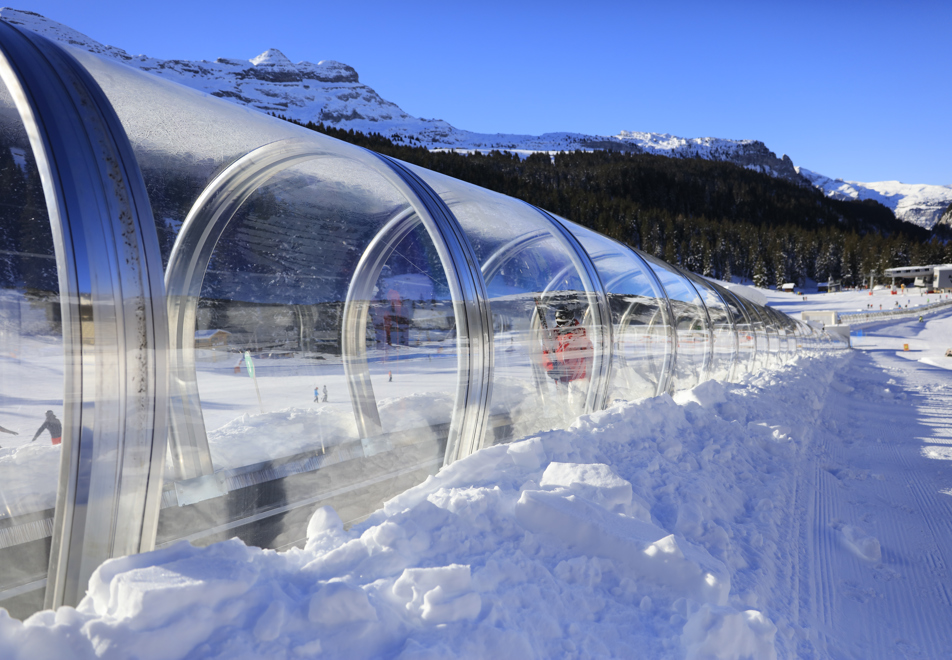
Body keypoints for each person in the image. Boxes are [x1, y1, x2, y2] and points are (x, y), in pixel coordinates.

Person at [542, 305, 593, 384]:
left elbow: (590, 354)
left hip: (578, 379)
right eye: (559, 323)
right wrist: (551, 368)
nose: (562, 326)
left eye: (565, 323)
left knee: (577, 396)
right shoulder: (553, 336)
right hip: (561, 378)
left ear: (571, 320)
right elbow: (546, 353)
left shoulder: (580, 334)